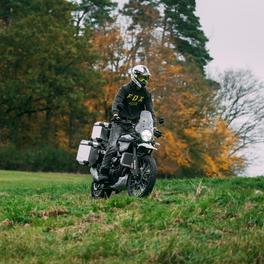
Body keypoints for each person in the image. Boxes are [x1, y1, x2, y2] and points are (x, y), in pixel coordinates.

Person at [98, 65, 156, 182]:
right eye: (142, 78)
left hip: (134, 125)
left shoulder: (146, 93)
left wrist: (153, 125)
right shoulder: (124, 89)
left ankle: (138, 171)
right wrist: (115, 114)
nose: (144, 81)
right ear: (135, 76)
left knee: (143, 143)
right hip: (120, 122)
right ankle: (103, 171)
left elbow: (150, 110)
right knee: (113, 146)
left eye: (146, 78)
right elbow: (116, 102)